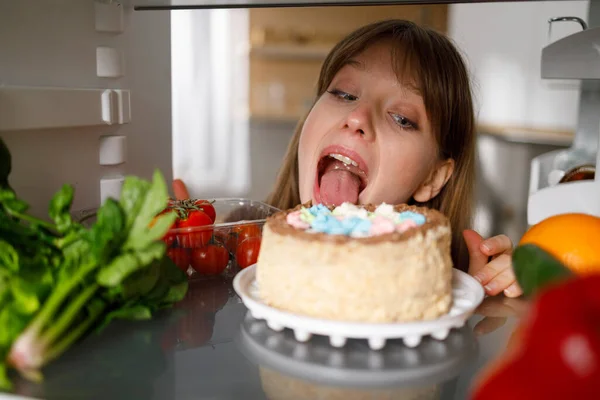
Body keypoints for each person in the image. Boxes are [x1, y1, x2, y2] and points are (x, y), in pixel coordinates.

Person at [172, 19, 522, 298]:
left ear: (433, 178)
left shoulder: (448, 288)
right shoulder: (239, 239)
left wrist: (483, 302)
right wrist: (184, 261)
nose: (357, 118)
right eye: (344, 93)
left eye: (401, 118)